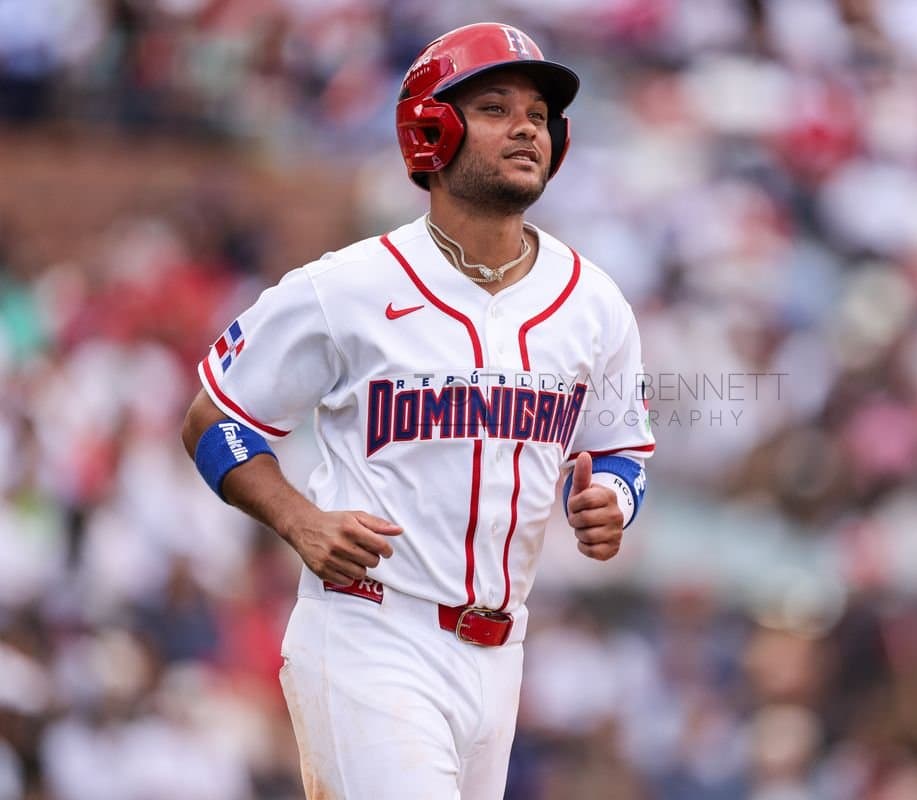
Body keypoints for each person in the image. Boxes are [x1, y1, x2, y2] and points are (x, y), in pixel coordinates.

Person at [179, 21, 655, 800]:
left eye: (539, 113)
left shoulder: (594, 302)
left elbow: (621, 449)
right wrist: (300, 520)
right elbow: (213, 418)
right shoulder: (347, 286)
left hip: (502, 651)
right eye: (496, 107)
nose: (527, 126)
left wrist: (616, 500)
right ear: (431, 127)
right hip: (372, 629)